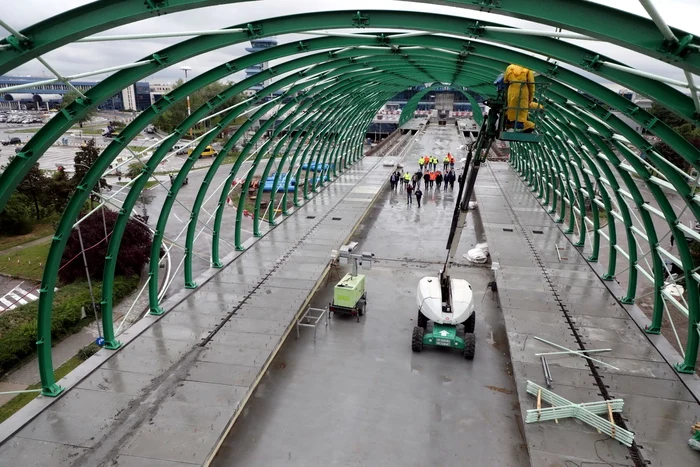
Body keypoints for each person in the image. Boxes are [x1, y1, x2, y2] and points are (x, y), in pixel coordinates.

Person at [504, 63, 537, 132]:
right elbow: (531, 85)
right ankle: (522, 127)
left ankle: (513, 126)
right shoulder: (528, 69)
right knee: (522, 111)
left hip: (512, 91)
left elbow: (505, 80)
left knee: (512, 109)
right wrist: (530, 99)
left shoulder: (509, 68)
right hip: (523, 92)